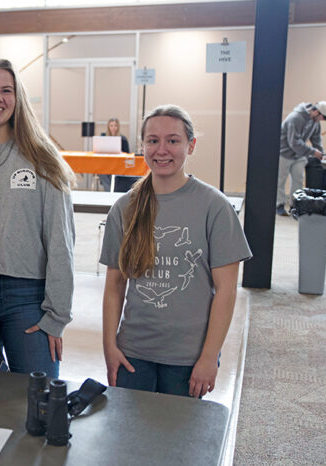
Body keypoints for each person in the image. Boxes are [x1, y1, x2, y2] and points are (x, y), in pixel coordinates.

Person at [100, 105, 251, 398]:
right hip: (133, 354)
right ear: (142, 145)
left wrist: (209, 357)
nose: (162, 150)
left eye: (173, 140)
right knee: (132, 439)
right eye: (153, 141)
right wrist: (110, 346)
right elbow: (114, 285)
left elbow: (226, 291)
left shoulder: (215, 207)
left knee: (179, 439)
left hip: (188, 358)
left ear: (190, 145)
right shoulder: (125, 208)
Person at [0, 59, 76, 378]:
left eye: (6, 90)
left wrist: (57, 316)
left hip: (28, 297)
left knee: (40, 399)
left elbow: (61, 243)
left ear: (18, 99)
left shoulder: (42, 159)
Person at [277, 101, 326, 216]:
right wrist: (312, 152)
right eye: (322, 117)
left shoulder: (315, 122)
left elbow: (316, 139)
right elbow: (294, 142)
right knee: (280, 181)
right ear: (316, 112)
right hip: (284, 154)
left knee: (298, 181)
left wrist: (321, 153)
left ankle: (295, 206)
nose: (322, 120)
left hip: (300, 155)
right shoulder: (295, 118)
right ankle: (279, 205)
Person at [98, 117, 131, 192]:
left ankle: (111, 191)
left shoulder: (123, 139)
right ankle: (109, 191)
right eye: (111, 126)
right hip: (105, 164)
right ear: (108, 127)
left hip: (118, 165)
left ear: (118, 127)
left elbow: (127, 154)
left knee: (114, 174)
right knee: (101, 171)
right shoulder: (103, 137)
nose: (113, 128)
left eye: (115, 126)